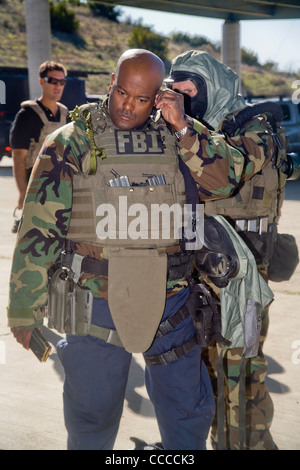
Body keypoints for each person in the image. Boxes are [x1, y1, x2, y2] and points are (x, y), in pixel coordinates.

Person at [7, 49, 274, 451]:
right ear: (111, 84)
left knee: (187, 413)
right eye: (120, 93)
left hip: (173, 301)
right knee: (91, 415)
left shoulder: (177, 137)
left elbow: (223, 181)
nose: (127, 107)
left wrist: (184, 127)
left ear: (160, 97)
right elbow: (38, 227)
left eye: (141, 99)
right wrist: (24, 308)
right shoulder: (73, 141)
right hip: (93, 299)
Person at [165, 49, 286, 450]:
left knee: (241, 374)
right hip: (194, 274)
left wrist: (182, 128)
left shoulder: (256, 126)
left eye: (190, 91)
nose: (181, 99)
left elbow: (224, 175)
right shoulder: (185, 129)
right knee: (203, 373)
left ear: (212, 88)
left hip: (243, 281)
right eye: (174, 90)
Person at [10, 60, 69, 232]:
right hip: (35, 191)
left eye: (62, 82)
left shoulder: (67, 115)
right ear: (41, 81)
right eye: (53, 81)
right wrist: (23, 193)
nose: (58, 86)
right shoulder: (27, 115)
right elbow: (19, 157)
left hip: (61, 191)